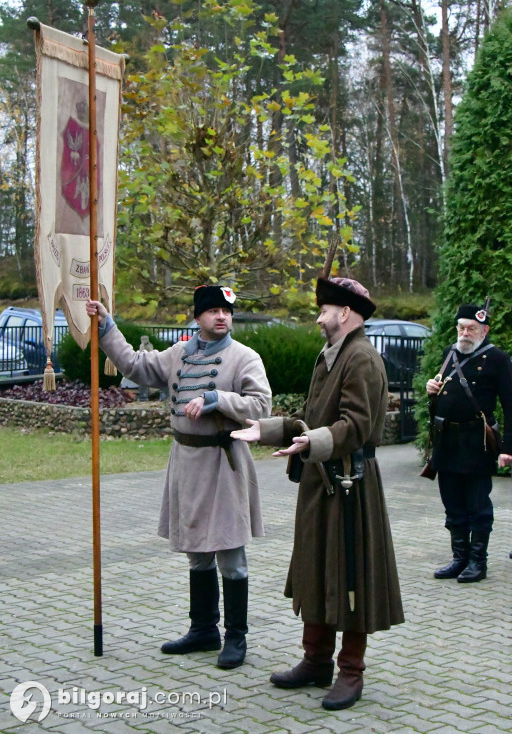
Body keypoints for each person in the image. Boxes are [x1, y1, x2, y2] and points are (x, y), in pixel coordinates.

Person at [232, 276, 404, 711]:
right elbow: (312, 416)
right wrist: (268, 429)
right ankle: (316, 661)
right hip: (321, 483)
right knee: (316, 568)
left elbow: (358, 426)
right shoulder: (331, 355)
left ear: (344, 313)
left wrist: (314, 441)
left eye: (324, 310)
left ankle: (351, 671)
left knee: (350, 575)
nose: (318, 318)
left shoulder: (361, 358)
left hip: (350, 484)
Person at [86, 285, 272, 669]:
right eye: (214, 311)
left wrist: (216, 399)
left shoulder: (244, 357)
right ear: (198, 316)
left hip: (224, 463)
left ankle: (236, 636)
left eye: (226, 311)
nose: (221, 317)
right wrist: (106, 326)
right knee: (197, 554)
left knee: (231, 555)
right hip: (186, 462)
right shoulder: (178, 354)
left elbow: (261, 406)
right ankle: (203, 629)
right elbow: (135, 365)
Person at [426, 303, 512, 583]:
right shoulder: (449, 353)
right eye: (461, 328)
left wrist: (508, 448)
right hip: (448, 440)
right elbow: (442, 396)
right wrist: (431, 390)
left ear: (484, 331)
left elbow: (510, 405)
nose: (465, 333)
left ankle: (478, 562)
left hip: (477, 443)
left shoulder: (497, 359)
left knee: (478, 506)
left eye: (471, 329)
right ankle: (459, 558)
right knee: (452, 503)